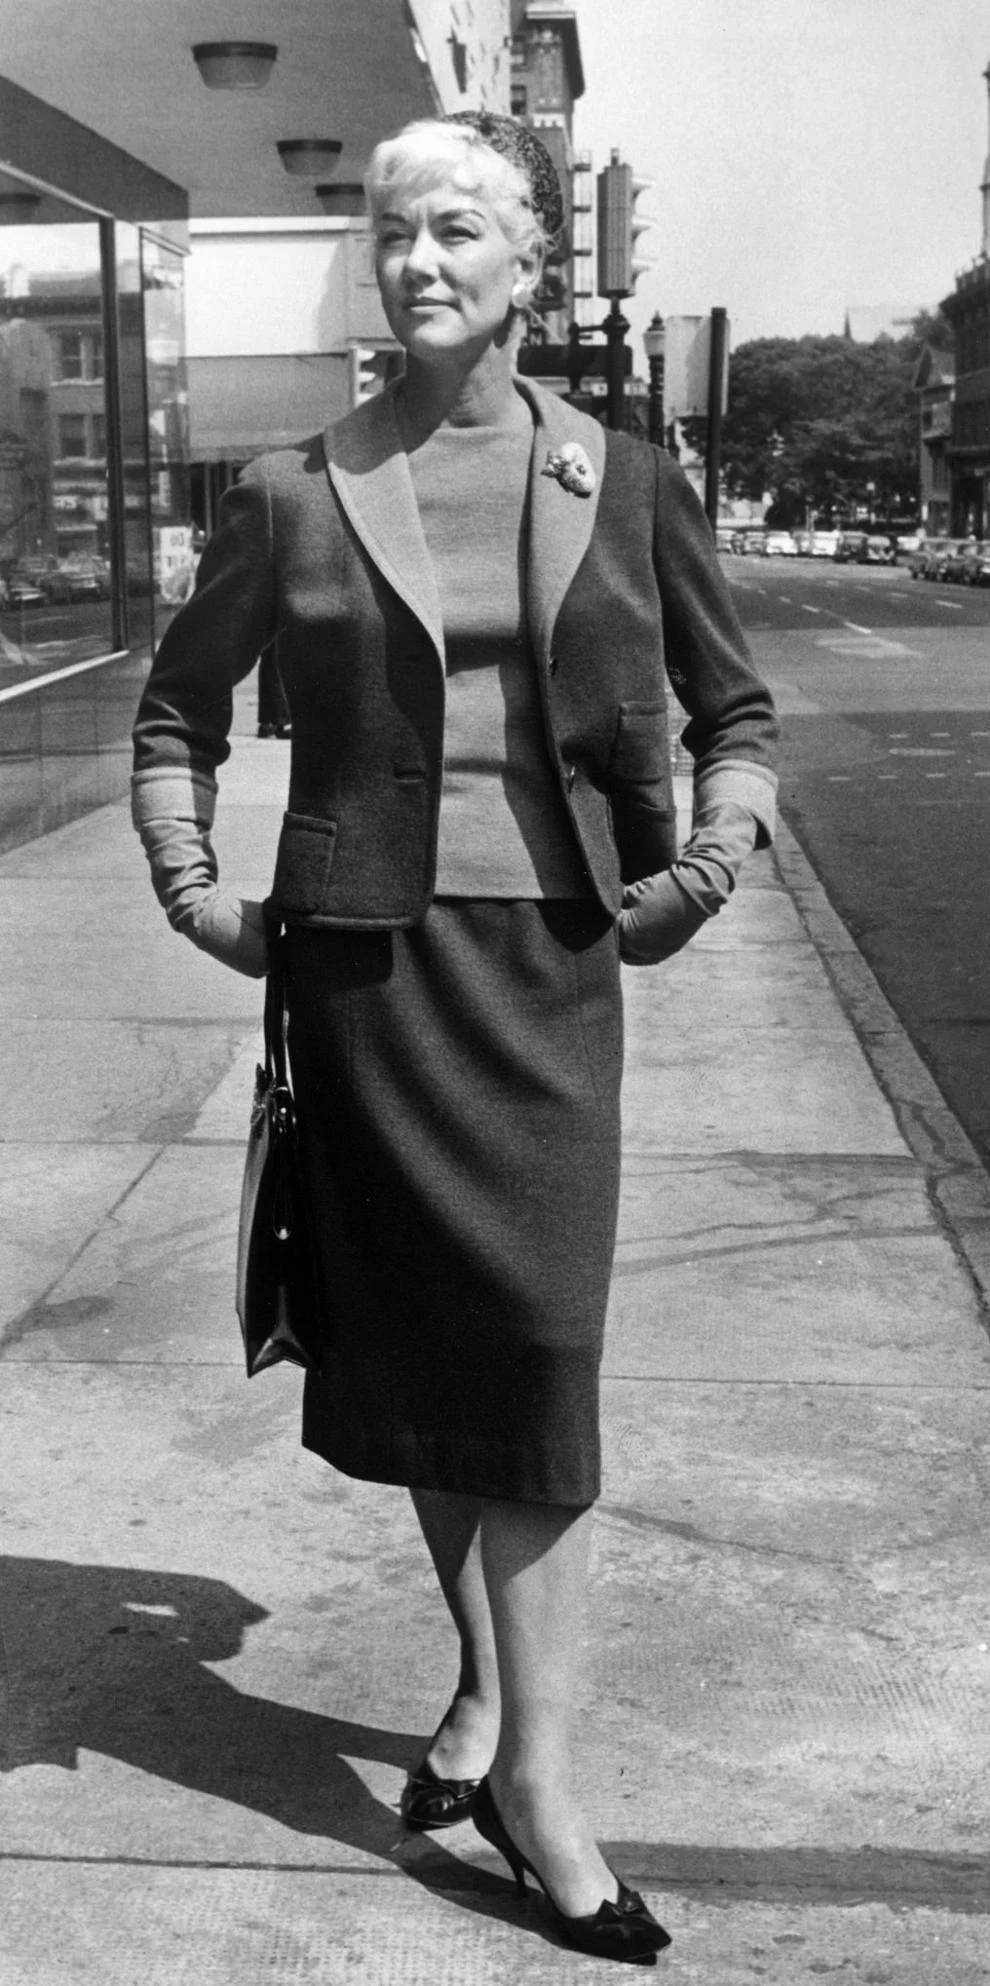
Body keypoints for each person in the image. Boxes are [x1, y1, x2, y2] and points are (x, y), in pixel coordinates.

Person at [131, 111, 777, 1964]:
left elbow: (735, 711)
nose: (418, 263)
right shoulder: (294, 487)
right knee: (432, 1351)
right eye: (392, 235)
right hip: (360, 974)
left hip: (556, 971)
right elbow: (177, 713)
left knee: (535, 1358)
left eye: (455, 235)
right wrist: (195, 888)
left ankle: (523, 1755)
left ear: (525, 268)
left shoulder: (625, 478)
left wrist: (708, 861)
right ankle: (518, 1751)